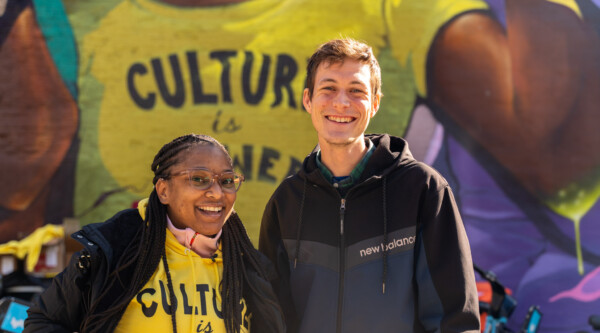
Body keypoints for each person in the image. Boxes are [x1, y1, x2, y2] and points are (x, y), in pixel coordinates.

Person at [259, 38, 479, 332]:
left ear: (375, 103)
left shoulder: (423, 190)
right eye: (329, 89)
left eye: (356, 91)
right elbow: (270, 319)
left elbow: (455, 318)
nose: (341, 102)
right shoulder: (286, 203)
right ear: (308, 100)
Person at [24, 134, 285, 333]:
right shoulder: (117, 250)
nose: (217, 193)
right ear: (164, 191)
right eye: (199, 179)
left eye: (227, 181)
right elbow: (42, 321)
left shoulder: (250, 267)